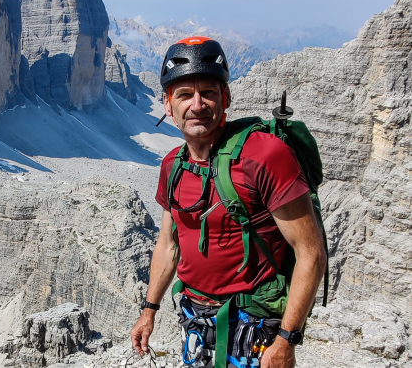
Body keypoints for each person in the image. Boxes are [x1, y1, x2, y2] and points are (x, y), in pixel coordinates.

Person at [130, 37, 327, 368]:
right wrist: (149, 310)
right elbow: (168, 244)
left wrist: (287, 341)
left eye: (208, 92)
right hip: (194, 316)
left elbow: (311, 252)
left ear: (226, 98)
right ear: (167, 104)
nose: (197, 103)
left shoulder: (265, 155)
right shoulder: (172, 166)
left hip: (255, 323)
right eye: (184, 95)